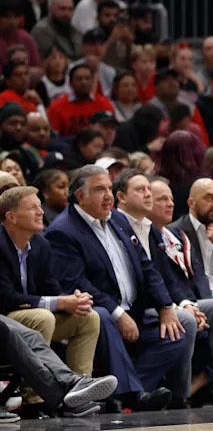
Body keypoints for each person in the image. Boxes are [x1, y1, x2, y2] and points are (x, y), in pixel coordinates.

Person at [113, 171, 213, 406]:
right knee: (194, 321)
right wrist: (175, 307)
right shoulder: (126, 227)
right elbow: (154, 281)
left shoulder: (159, 231)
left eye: (169, 198)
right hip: (140, 307)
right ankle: (181, 395)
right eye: (157, 197)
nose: (168, 203)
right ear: (122, 197)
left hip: (174, 302)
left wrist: (187, 304)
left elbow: (168, 279)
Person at [44, 165, 190, 411]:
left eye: (110, 188)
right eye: (100, 189)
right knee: (101, 317)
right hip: (98, 314)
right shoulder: (62, 231)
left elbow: (146, 266)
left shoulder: (118, 219)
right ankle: (135, 395)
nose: (109, 195)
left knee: (178, 330)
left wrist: (165, 306)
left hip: (133, 311)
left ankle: (125, 395)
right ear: (80, 196)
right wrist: (118, 314)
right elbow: (77, 283)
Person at [0, 186, 102, 381]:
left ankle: (81, 387)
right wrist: (59, 303)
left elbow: (51, 289)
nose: (41, 212)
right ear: (11, 217)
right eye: (32, 208)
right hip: (5, 320)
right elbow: (5, 298)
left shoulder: (40, 244)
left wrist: (73, 300)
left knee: (88, 317)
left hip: (27, 315)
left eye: (40, 206)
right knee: (43, 317)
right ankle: (36, 399)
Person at [46, 63, 114, 137]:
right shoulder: (56, 106)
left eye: (87, 78)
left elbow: (112, 130)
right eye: (79, 79)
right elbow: (54, 137)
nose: (84, 82)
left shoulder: (104, 103)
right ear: (70, 83)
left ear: (93, 82)